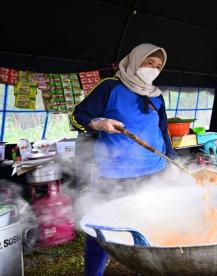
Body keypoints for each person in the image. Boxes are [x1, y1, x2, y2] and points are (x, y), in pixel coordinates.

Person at [70, 43, 175, 276]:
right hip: (114, 172)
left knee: (147, 225)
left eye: (158, 66)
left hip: (153, 171)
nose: (154, 69)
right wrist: (98, 124)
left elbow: (163, 130)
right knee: (103, 227)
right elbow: (77, 117)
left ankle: (143, 269)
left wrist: (173, 161)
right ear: (135, 61)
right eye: (150, 63)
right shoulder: (110, 87)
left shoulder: (156, 96)